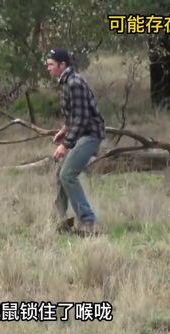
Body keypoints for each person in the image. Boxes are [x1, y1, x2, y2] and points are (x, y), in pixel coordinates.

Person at [46, 48, 105, 236]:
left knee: (68, 175)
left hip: (90, 135)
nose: (48, 68)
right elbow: (74, 115)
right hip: (81, 134)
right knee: (60, 174)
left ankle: (89, 222)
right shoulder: (66, 82)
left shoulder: (74, 83)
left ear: (62, 65)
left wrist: (65, 144)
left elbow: (81, 118)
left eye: (51, 65)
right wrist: (64, 131)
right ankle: (60, 220)